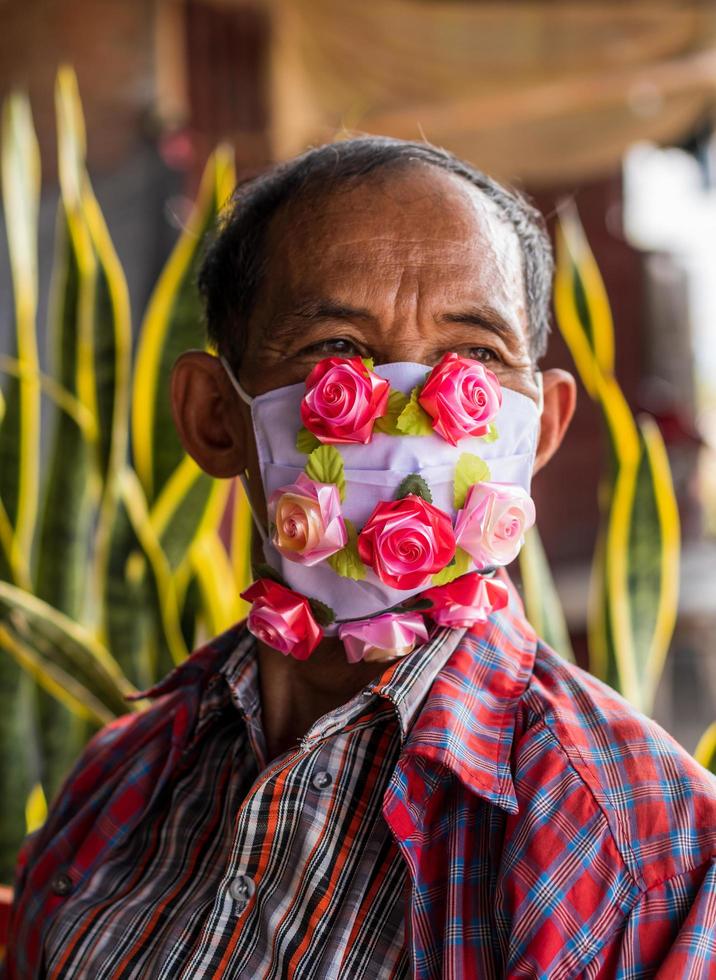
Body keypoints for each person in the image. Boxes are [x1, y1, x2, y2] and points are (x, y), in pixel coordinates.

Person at [5, 138, 716, 979]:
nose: (409, 418)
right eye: (337, 347)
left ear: (544, 429)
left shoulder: (644, 856)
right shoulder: (121, 785)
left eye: (476, 354)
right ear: (212, 418)